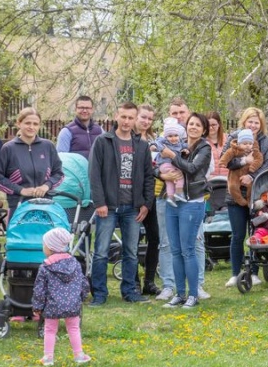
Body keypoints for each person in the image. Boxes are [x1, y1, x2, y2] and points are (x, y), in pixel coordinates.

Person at [89, 102, 155, 305]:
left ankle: (129, 291)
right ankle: (99, 294)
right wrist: (99, 202)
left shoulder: (141, 145)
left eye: (130, 118)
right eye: (123, 117)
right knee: (101, 251)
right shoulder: (103, 141)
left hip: (133, 207)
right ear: (116, 116)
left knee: (131, 252)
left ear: (135, 119)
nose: (126, 121)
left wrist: (146, 204)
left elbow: (149, 177)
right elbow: (94, 174)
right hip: (107, 207)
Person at [161, 112, 212, 309]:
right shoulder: (177, 142)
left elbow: (192, 168)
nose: (193, 127)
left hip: (192, 201)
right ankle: (180, 294)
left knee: (188, 250)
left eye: (198, 125)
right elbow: (157, 164)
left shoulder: (204, 148)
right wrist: (162, 175)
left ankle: (193, 294)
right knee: (175, 250)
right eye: (191, 124)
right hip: (173, 201)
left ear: (204, 129)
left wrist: (172, 156)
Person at [222, 107, 268, 288]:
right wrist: (243, 162)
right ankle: (235, 273)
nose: (253, 125)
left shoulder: (266, 141)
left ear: (261, 124)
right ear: (244, 122)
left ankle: (253, 272)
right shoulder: (233, 138)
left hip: (256, 192)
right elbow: (225, 160)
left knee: (255, 232)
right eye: (250, 121)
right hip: (235, 193)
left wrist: (252, 176)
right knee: (237, 235)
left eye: (256, 122)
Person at [32, 228, 91, 366]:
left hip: (52, 305)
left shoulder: (45, 267)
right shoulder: (75, 263)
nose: (43, 247)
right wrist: (81, 297)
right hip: (73, 305)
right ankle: (79, 355)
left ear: (51, 247)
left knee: (50, 330)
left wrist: (37, 306)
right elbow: (83, 283)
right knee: (74, 329)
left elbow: (39, 290)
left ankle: (48, 357)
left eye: (44, 244)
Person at [0, 108, 63, 211]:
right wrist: (21, 190)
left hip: (45, 204)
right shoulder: (8, 148)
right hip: (18, 206)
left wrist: (46, 186)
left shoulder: (48, 146)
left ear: (39, 126)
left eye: (35, 124)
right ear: (19, 123)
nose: (31, 127)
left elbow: (59, 173)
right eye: (27, 123)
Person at [134, 103, 162, 296]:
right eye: (143, 117)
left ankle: (149, 281)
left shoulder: (154, 140)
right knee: (132, 239)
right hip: (132, 196)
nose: (146, 121)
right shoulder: (128, 139)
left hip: (151, 194)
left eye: (150, 119)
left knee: (155, 237)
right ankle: (133, 281)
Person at [220, 129, 263, 208]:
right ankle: (240, 201)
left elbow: (259, 160)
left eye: (250, 143)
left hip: (248, 173)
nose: (248, 145)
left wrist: (253, 167)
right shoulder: (234, 150)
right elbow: (226, 155)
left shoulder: (255, 151)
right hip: (235, 174)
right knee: (232, 187)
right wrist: (223, 162)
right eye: (245, 143)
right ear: (239, 144)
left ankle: (250, 201)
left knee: (251, 188)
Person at [153, 118, 188, 206]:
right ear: (166, 137)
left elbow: (185, 145)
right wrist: (161, 149)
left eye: (176, 135)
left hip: (168, 166)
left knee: (169, 181)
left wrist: (185, 149)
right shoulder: (164, 142)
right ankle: (179, 192)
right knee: (179, 175)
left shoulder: (179, 142)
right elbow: (156, 143)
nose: (173, 138)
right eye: (170, 136)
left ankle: (170, 197)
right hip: (166, 164)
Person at [56, 95, 103, 159]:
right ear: (75, 109)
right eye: (81, 107)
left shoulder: (100, 131)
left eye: (88, 108)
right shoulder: (67, 132)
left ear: (92, 110)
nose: (85, 111)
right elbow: (61, 159)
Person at [206, 111, 228, 178]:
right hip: (210, 180)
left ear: (219, 124)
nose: (210, 128)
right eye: (208, 125)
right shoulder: (202, 141)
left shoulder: (228, 139)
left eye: (213, 125)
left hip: (228, 179)